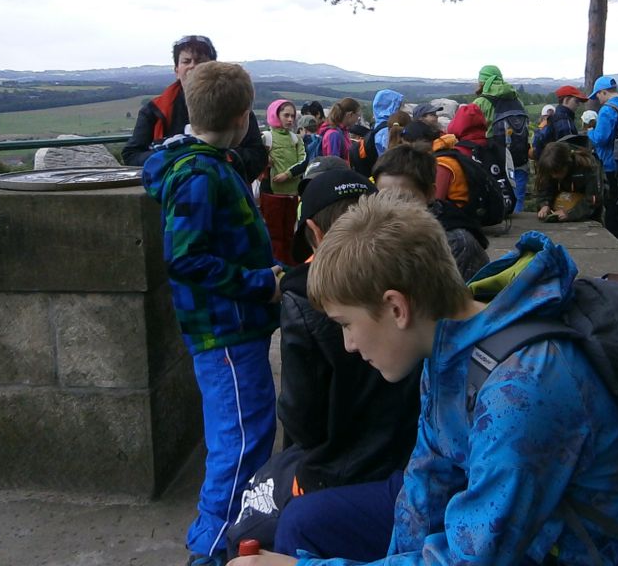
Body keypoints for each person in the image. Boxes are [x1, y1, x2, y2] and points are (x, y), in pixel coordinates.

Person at [229, 193, 618, 566]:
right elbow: (424, 489)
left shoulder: (520, 388)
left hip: (569, 552)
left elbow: (471, 559)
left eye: (346, 324)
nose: (349, 345)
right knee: (306, 521)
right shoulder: (448, 347)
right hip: (525, 540)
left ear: (396, 308)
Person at [230, 169, 420, 553]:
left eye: (346, 324)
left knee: (271, 526)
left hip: (342, 472)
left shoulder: (302, 298)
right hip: (405, 463)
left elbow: (303, 420)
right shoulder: (418, 282)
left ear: (315, 232)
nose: (350, 343)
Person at [141, 61, 283, 566]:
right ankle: (211, 549)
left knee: (245, 430)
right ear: (244, 118)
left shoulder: (206, 162)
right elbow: (185, 258)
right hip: (226, 331)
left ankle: (231, 536)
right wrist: (260, 283)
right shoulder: (200, 174)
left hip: (233, 327)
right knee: (241, 441)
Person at [123, 34, 267, 182]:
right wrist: (179, 158)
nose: (192, 66)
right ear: (176, 70)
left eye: (200, 61)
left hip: (229, 185)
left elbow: (257, 156)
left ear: (213, 68)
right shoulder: (154, 110)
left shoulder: (235, 103)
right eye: (186, 61)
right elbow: (131, 155)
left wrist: (222, 160)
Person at [372, 144, 489, 280]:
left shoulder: (454, 242)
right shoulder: (375, 232)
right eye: (384, 198)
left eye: (404, 199)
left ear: (430, 194)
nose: (393, 207)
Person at [474, 65, 530, 212]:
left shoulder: (481, 102)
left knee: (498, 194)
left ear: (483, 81)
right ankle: (519, 217)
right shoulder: (516, 98)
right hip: (520, 152)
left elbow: (473, 128)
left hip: (494, 155)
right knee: (518, 195)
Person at [587, 75, 618, 243]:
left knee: (612, 201)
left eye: (598, 95)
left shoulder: (607, 110)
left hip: (610, 163)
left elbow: (601, 138)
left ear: (603, 92)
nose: (598, 99)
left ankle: (614, 237)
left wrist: (590, 132)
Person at [432, 104, 488, 209]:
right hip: (494, 209)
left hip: (463, 213)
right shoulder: (496, 148)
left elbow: (437, 199)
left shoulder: (450, 156)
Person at [533, 140, 604, 223]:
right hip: (559, 210)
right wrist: (544, 205)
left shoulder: (588, 166)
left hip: (587, 212)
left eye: (557, 172)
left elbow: (594, 199)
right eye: (551, 173)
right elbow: (544, 191)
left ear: (567, 164)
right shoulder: (549, 165)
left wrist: (570, 214)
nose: (554, 176)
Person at [264, 100, 307, 196]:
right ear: (276, 115)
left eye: (292, 116)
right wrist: (264, 158)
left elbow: (304, 162)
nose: (290, 119)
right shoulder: (266, 137)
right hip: (271, 193)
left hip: (295, 192)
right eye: (286, 115)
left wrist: (287, 175)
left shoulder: (296, 139)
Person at [532, 86, 587, 159]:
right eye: (576, 101)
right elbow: (570, 152)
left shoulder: (556, 116)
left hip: (549, 161)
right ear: (566, 100)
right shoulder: (564, 121)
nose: (578, 104)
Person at [370, 89, 405, 155]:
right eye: (399, 106)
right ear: (392, 107)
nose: (401, 110)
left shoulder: (378, 124)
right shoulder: (386, 131)